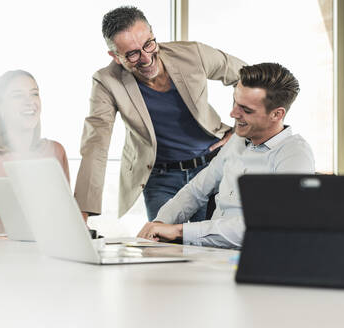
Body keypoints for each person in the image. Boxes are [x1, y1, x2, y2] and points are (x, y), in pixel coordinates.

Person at [74, 6, 246, 223]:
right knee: (166, 249)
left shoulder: (193, 54)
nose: (146, 58)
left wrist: (241, 129)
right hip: (161, 180)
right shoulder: (106, 81)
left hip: (211, 169)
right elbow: (96, 143)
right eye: (133, 54)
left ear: (153, 34)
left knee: (214, 248)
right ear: (115, 56)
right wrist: (82, 211)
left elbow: (250, 77)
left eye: (148, 44)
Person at [137, 63, 315, 249]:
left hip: (254, 260)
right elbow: (196, 191)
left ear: (276, 114)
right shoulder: (237, 140)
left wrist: (179, 231)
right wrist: (159, 224)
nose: (233, 113)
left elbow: (265, 224)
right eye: (235, 103)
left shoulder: (295, 155)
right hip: (210, 255)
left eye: (246, 110)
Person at [0, 70, 70, 233]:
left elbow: (65, 217)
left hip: (46, 253)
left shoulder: (55, 152)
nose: (29, 102)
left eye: (34, 94)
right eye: (17, 96)